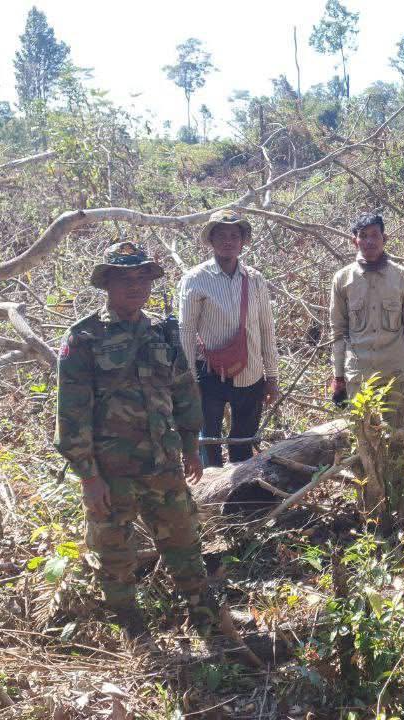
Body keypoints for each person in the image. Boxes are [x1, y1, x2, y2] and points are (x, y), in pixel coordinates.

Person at [53, 242, 216, 642]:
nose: (136, 286)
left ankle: (204, 617)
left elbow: (183, 390)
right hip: (112, 474)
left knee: (183, 543)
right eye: (125, 278)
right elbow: (71, 414)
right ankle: (133, 629)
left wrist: (191, 445)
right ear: (107, 283)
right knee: (115, 555)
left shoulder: (163, 331)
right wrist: (89, 477)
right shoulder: (84, 338)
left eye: (143, 278)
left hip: (163, 465)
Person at [329, 212, 404, 514]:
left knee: (396, 437)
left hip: (395, 372)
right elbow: (338, 331)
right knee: (363, 439)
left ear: (385, 239)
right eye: (363, 235)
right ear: (354, 240)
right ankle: (370, 506)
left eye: (375, 235)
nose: (369, 241)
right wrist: (338, 375)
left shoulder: (402, 277)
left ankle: (397, 501)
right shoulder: (342, 279)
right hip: (358, 372)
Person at [177, 209, 281, 467]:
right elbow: (186, 332)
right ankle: (210, 495)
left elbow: (267, 329)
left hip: (251, 374)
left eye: (234, 235)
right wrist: (189, 380)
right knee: (209, 439)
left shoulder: (255, 279)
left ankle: (240, 497)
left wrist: (272, 377)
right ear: (211, 240)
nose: (228, 241)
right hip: (209, 374)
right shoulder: (195, 279)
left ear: (243, 240)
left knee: (243, 441)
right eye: (221, 235)